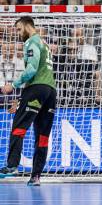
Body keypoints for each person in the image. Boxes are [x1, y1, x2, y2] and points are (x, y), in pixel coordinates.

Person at [0, 16, 57, 186]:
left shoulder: (31, 42)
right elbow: (40, 73)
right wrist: (20, 98)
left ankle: (12, 166)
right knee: (43, 136)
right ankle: (36, 177)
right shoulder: (44, 44)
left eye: (18, 29)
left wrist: (13, 85)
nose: (18, 33)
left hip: (36, 89)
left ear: (27, 26)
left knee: (19, 127)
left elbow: (31, 70)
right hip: (50, 92)